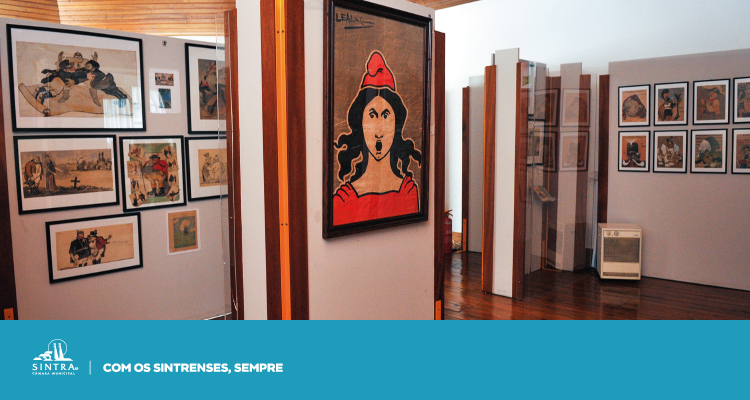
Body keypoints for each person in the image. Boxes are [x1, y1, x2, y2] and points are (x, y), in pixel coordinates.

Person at [332, 51, 422, 226]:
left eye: (386, 116)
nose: (379, 129)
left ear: (396, 125)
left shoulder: (408, 192)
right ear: (361, 125)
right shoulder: (343, 201)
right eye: (372, 116)